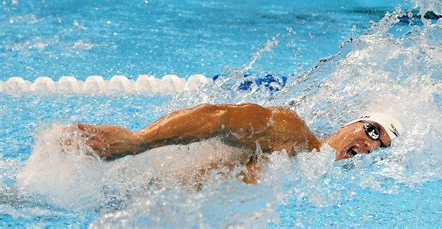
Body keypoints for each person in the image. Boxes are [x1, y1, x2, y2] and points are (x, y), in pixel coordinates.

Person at [67, 103, 403, 183]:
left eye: (381, 147)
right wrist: (141, 141)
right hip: (134, 182)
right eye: (372, 130)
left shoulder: (310, 174)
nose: (370, 144)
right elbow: (222, 118)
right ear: (351, 123)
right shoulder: (297, 136)